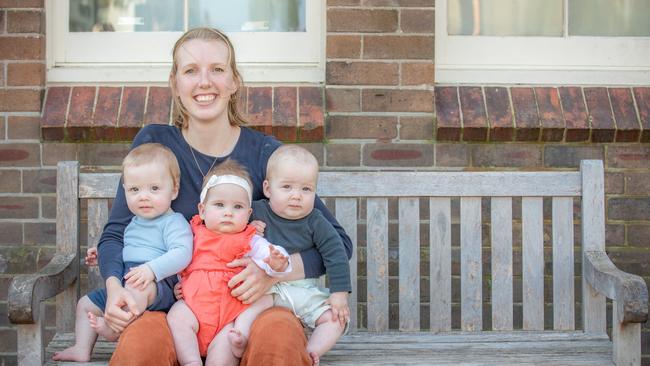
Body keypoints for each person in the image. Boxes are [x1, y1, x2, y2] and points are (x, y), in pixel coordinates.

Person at [97, 27, 352, 366]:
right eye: (191, 71)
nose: (205, 82)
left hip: (250, 312)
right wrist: (115, 290)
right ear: (175, 83)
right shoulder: (155, 144)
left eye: (217, 69)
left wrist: (273, 273)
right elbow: (116, 233)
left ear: (234, 81)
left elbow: (338, 243)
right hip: (170, 307)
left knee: (279, 336)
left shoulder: (264, 153)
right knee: (141, 344)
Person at [53, 143, 193, 362]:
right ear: (125, 191)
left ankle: (113, 330)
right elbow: (125, 249)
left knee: (136, 289)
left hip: (157, 284)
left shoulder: (173, 222)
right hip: (126, 280)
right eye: (134, 190)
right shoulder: (134, 222)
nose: (143, 197)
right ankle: (82, 347)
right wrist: (100, 256)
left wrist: (151, 270)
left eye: (154, 189)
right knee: (85, 304)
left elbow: (182, 253)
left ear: (173, 190)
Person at [167, 160, 292, 365]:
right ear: (202, 210)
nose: (228, 212)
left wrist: (277, 263)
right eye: (219, 205)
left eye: (238, 207)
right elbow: (177, 260)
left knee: (228, 345)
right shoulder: (190, 234)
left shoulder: (251, 239)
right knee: (176, 317)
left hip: (230, 316)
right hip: (193, 307)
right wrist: (178, 283)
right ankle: (191, 361)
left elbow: (274, 256)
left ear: (249, 214)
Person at [253, 145, 351, 366]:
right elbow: (228, 232)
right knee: (239, 316)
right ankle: (237, 339)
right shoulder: (255, 212)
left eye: (306, 189)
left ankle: (309, 353)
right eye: (287, 187)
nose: (296, 196)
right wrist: (249, 230)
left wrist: (339, 294)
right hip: (265, 291)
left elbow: (336, 253)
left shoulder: (316, 221)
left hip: (303, 290)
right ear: (268, 189)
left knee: (335, 320)